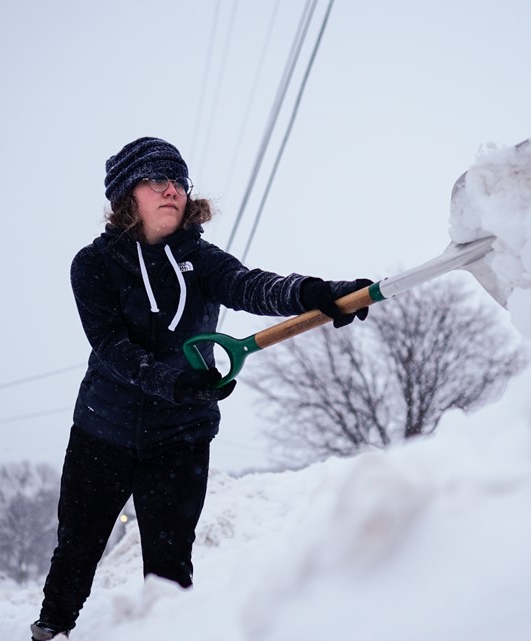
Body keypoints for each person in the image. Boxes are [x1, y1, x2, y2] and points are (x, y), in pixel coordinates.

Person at [31, 137, 369, 640]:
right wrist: (173, 381)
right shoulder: (92, 264)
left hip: (180, 437)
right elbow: (110, 347)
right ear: (128, 194)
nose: (173, 190)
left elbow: (253, 285)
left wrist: (317, 293)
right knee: (77, 550)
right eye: (157, 180)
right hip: (103, 430)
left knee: (169, 568)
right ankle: (51, 631)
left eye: (179, 182)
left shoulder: (201, 259)